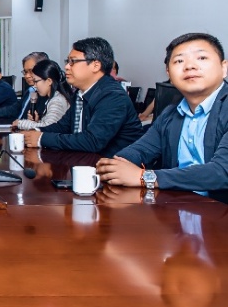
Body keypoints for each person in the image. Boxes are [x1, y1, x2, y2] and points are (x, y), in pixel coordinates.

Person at [97, 32, 228, 192]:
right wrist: (115, 166)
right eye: (179, 61)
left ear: (224, 68)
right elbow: (141, 149)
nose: (189, 66)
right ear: (169, 74)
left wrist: (145, 177)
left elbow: (222, 172)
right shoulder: (170, 113)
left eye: (202, 58)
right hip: (178, 203)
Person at [23, 37, 143, 156]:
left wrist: (41, 139)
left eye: (73, 62)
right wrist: (34, 132)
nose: (66, 67)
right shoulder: (80, 93)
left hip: (116, 163)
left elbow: (92, 141)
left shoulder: (112, 96)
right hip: (86, 159)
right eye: (67, 62)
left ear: (95, 65)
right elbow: (63, 126)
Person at [0, 52, 49, 119]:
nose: (27, 76)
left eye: (31, 71)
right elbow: (15, 109)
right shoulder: (30, 91)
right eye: (25, 72)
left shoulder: (47, 95)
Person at [12, 60, 71, 130]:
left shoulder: (57, 101)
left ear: (49, 81)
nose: (35, 86)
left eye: (36, 81)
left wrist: (20, 123)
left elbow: (48, 127)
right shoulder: (52, 98)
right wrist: (36, 122)